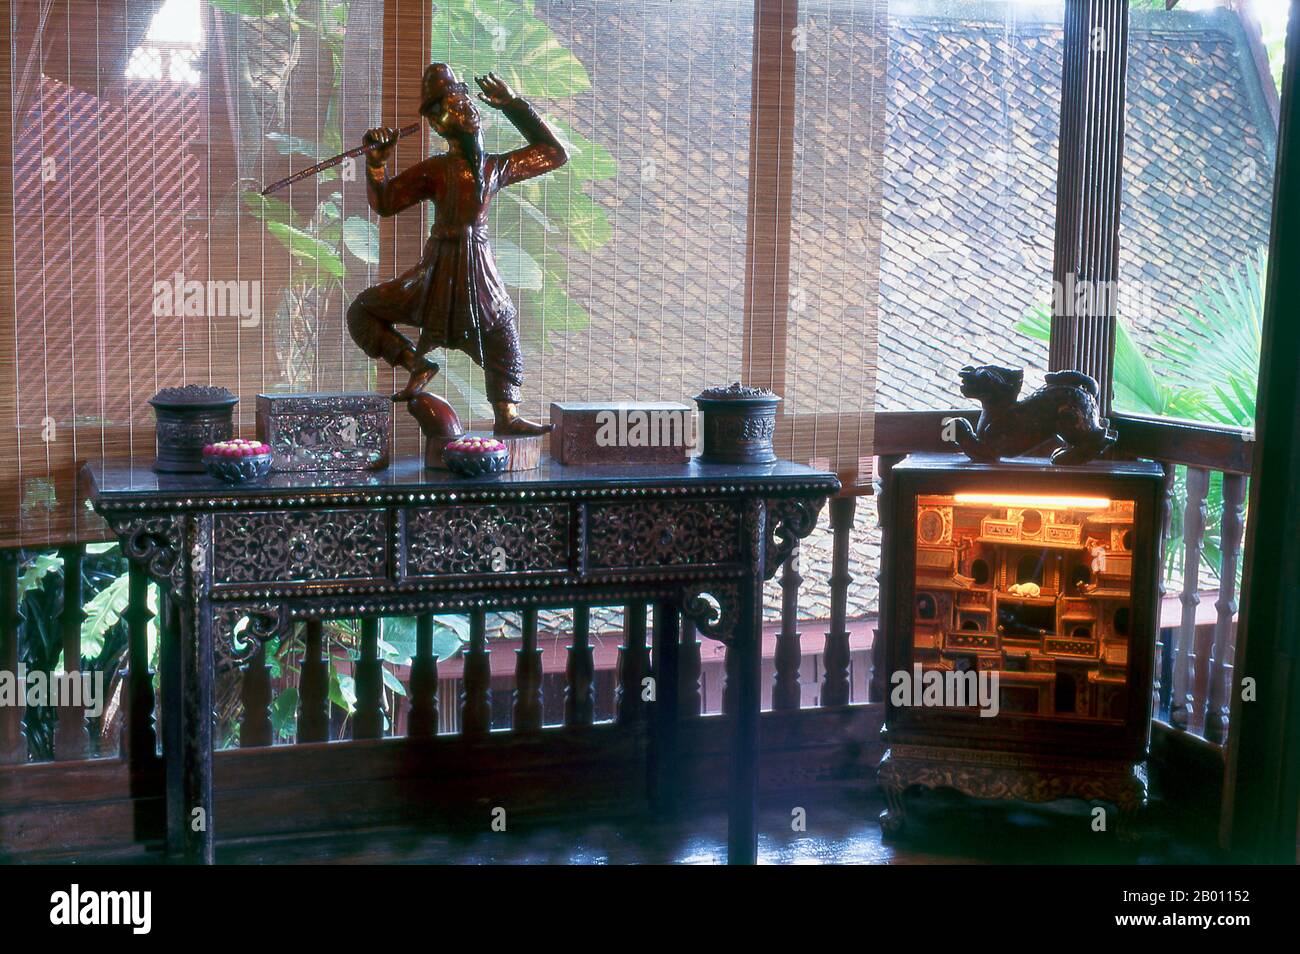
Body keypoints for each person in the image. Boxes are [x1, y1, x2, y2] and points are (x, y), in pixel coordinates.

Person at [347, 64, 567, 435]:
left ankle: (507, 414)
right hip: (438, 267)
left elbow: (553, 153)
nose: (465, 108)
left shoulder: (495, 168)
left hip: (479, 269)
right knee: (362, 313)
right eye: (451, 104)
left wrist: (513, 105)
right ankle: (414, 361)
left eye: (464, 99)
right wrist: (377, 165)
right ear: (437, 123)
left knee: (505, 338)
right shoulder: (435, 171)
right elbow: (386, 203)